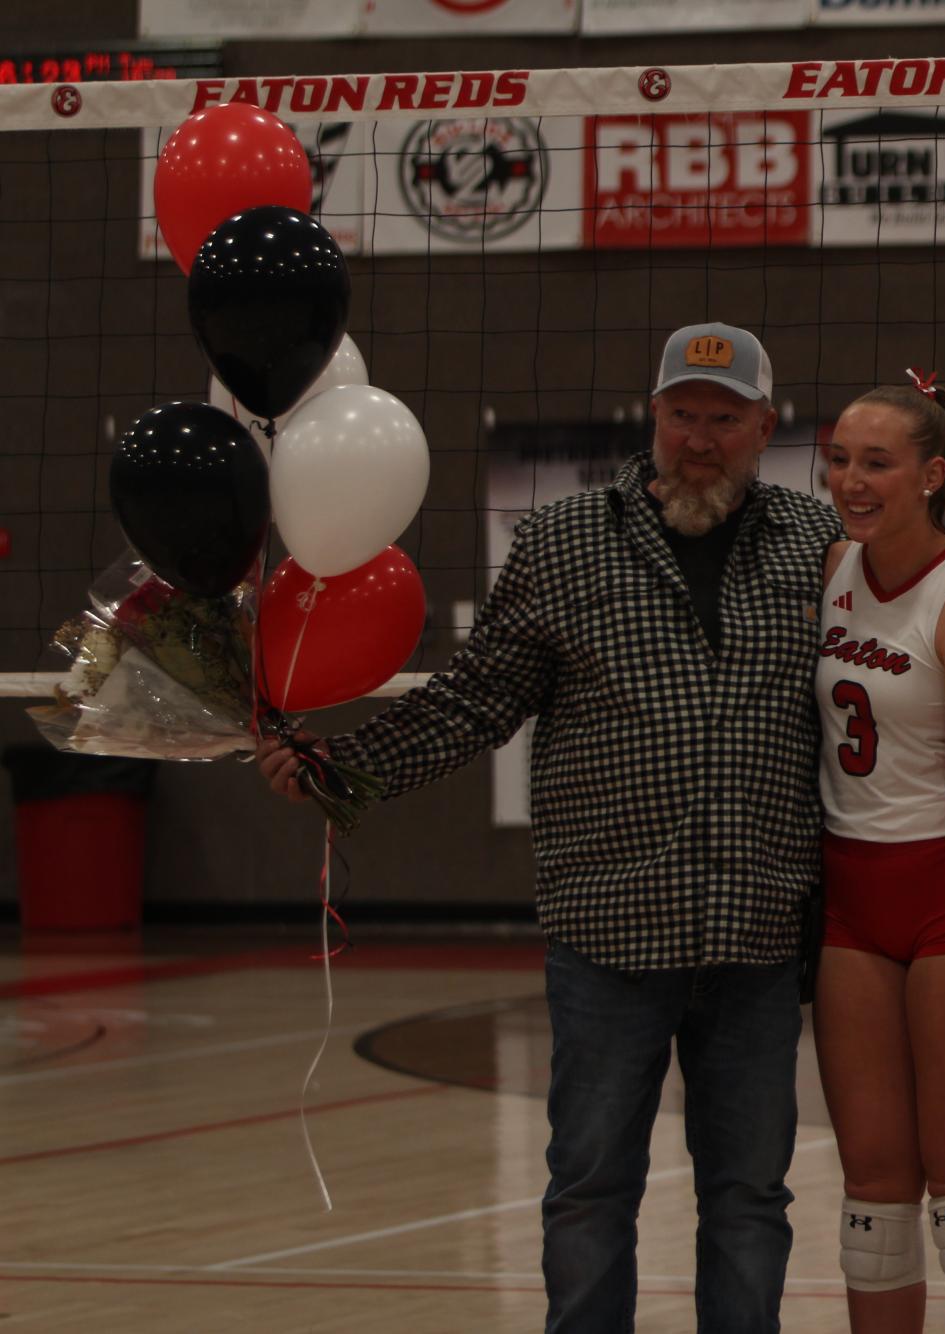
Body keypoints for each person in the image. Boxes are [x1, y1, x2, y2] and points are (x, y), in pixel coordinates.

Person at [257, 322, 842, 1334]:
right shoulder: (565, 539)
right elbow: (478, 699)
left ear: (764, 426)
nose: (698, 438)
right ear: (652, 415)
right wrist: (340, 770)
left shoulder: (815, 543)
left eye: (723, 419)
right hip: (609, 931)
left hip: (756, 933)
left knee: (749, 1197)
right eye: (681, 415)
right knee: (588, 1189)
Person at [811, 373, 945, 1334]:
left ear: (934, 474)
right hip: (853, 902)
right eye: (840, 461)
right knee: (872, 1189)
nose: (853, 482)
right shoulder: (832, 568)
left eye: (877, 463)